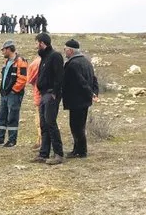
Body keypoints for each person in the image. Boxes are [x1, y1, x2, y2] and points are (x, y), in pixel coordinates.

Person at [62, 39, 99, 158]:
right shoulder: (87, 62)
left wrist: (91, 93)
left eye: (65, 49)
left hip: (76, 100)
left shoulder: (73, 64)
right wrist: (94, 93)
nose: (64, 52)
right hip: (84, 101)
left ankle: (81, 151)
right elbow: (94, 79)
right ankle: (77, 149)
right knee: (80, 126)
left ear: (71, 51)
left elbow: (81, 82)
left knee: (76, 126)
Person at [31, 33, 65, 165]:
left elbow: (59, 76)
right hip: (43, 94)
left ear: (42, 43)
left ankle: (58, 154)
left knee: (51, 123)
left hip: (50, 94)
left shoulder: (54, 56)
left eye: (36, 43)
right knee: (43, 124)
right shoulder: (44, 57)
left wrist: (54, 93)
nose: (36, 46)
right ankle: (43, 154)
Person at [0, 40, 28, 147]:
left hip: (14, 94)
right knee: (2, 116)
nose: (2, 52)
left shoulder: (21, 61)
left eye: (3, 50)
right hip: (5, 94)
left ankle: (12, 140)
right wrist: (3, 90)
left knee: (12, 116)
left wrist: (14, 90)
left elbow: (23, 79)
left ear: (9, 49)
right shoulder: (6, 62)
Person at [26, 56, 42, 149]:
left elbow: (30, 79)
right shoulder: (54, 59)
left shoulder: (36, 62)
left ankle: (41, 141)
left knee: (39, 120)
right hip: (51, 96)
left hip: (39, 94)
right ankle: (41, 140)